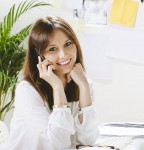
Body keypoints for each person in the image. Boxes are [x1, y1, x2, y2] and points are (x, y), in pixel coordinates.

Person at [2, 16, 99, 150]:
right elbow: (58, 145)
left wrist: (84, 86)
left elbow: (88, 139)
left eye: (67, 44)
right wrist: (57, 86)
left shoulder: (82, 84)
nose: (64, 55)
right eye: (52, 49)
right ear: (39, 55)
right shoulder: (27, 91)